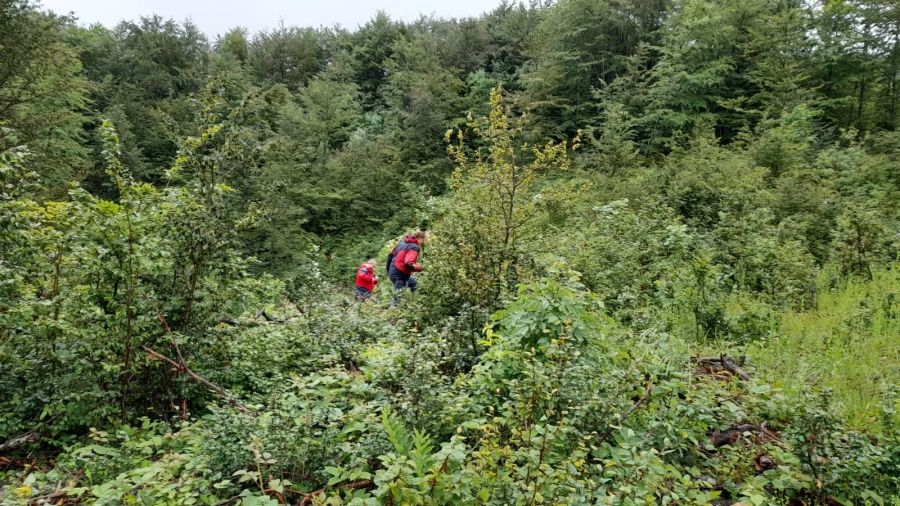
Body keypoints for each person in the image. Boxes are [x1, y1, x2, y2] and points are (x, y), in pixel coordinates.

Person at [387, 230, 426, 306]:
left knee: (415, 284)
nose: (424, 242)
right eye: (424, 239)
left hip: (395, 272)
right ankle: (393, 313)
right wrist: (419, 268)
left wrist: (388, 271)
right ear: (420, 238)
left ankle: (416, 303)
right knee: (398, 296)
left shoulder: (402, 243)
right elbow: (409, 263)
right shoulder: (415, 247)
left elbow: (390, 256)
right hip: (399, 274)